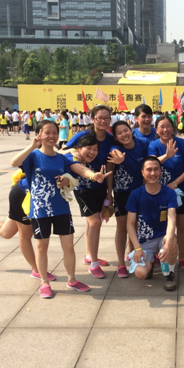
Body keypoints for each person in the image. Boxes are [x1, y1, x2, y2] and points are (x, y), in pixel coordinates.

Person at [11, 120, 109, 298]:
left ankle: (72, 280)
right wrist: (32, 145)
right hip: (40, 209)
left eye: (54, 133)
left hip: (61, 208)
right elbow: (14, 162)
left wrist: (88, 176)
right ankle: (44, 282)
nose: (51, 136)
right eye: (47, 132)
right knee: (42, 247)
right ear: (39, 134)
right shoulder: (33, 156)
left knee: (69, 247)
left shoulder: (62, 158)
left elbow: (78, 171)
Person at [62, 105, 114, 269]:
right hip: (83, 188)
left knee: (92, 223)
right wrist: (74, 152)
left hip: (100, 186)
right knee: (95, 222)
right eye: (100, 118)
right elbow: (62, 151)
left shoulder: (110, 139)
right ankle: (94, 264)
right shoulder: (83, 135)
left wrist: (109, 191)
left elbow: (110, 165)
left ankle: (90, 255)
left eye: (107, 117)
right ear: (92, 119)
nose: (103, 121)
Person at [149, 115, 184, 270]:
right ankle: (159, 255)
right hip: (158, 193)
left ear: (173, 127)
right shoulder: (153, 145)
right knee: (160, 225)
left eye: (168, 126)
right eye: (161, 127)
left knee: (181, 225)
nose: (165, 130)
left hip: (179, 192)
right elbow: (151, 164)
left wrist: (175, 183)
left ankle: (181, 256)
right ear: (156, 130)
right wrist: (166, 156)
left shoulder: (182, 144)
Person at [126, 156, 179, 290]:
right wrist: (137, 248)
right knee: (141, 273)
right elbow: (130, 224)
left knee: (172, 240)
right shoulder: (135, 194)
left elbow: (172, 219)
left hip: (162, 237)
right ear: (142, 172)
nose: (153, 173)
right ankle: (149, 264)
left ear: (160, 171)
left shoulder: (169, 193)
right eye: (149, 170)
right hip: (145, 240)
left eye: (156, 169)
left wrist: (167, 243)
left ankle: (170, 272)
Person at [106, 120, 151, 278]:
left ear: (131, 130)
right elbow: (113, 162)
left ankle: (132, 254)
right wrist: (109, 193)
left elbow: (149, 164)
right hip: (122, 193)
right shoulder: (115, 148)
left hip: (140, 191)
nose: (124, 134)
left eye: (126, 130)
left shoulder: (143, 143)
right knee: (122, 227)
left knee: (137, 225)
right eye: (119, 133)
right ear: (116, 137)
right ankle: (120, 263)